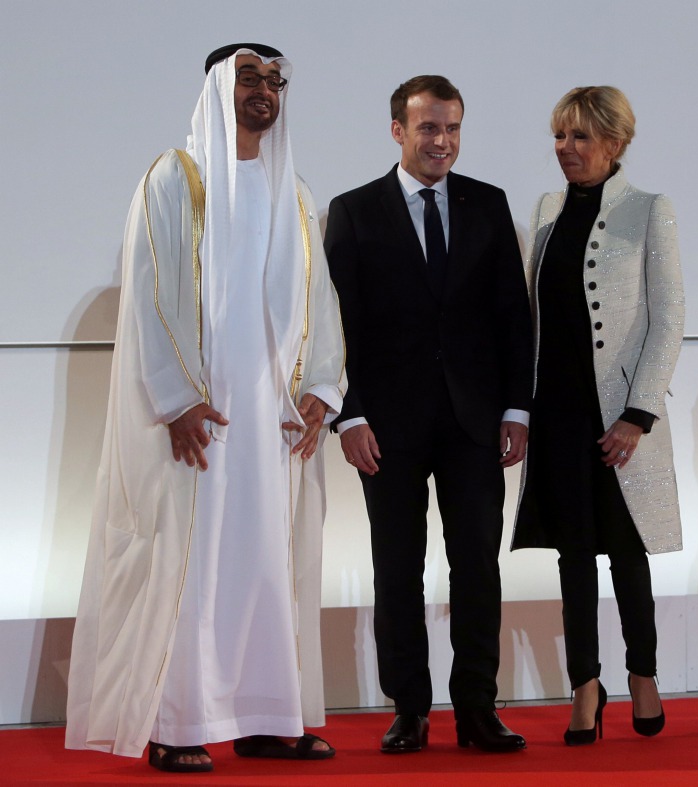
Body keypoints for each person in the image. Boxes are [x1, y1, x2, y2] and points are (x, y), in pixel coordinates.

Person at [65, 44, 345, 773]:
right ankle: (176, 720)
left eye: (274, 80)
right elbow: (152, 291)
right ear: (220, 87)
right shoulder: (176, 177)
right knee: (191, 563)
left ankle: (262, 715)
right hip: (200, 419)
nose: (264, 91)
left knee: (265, 565)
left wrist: (321, 388)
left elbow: (320, 302)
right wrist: (179, 397)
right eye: (249, 77)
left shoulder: (296, 192)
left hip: (272, 418)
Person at [324, 75, 533, 754]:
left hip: (476, 422)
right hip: (386, 425)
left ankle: (477, 705)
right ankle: (408, 706)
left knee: (477, 565)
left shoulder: (489, 203)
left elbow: (511, 314)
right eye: (427, 128)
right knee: (397, 565)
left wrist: (515, 407)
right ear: (398, 131)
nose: (441, 141)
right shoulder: (353, 210)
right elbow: (337, 324)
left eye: (452, 128)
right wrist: (348, 416)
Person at [511, 86, 685, 746]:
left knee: (629, 551)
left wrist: (638, 414)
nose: (567, 149)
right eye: (560, 136)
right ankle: (586, 683)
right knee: (573, 556)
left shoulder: (649, 210)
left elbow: (669, 316)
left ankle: (643, 674)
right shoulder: (546, 210)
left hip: (619, 415)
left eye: (580, 137)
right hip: (556, 413)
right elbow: (536, 322)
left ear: (614, 143)